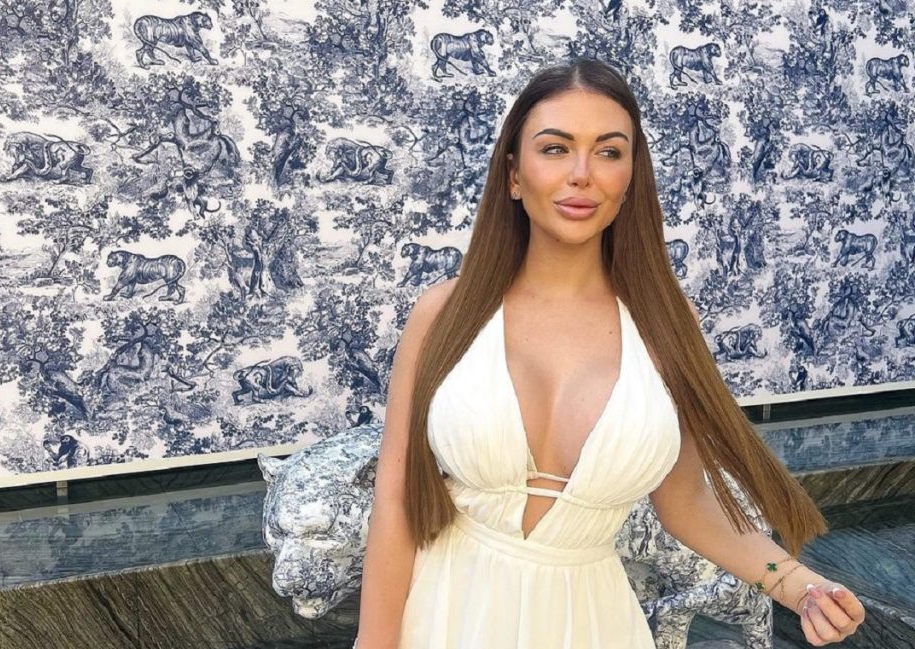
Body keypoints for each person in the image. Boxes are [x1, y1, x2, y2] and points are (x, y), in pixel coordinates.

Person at [354, 59, 865, 648]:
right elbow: (395, 499)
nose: (582, 174)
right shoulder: (444, 314)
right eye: (555, 149)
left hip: (591, 624)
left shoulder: (665, 324)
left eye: (608, 152)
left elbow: (687, 501)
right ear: (513, 175)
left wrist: (798, 585)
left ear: (630, 178)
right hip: (444, 614)